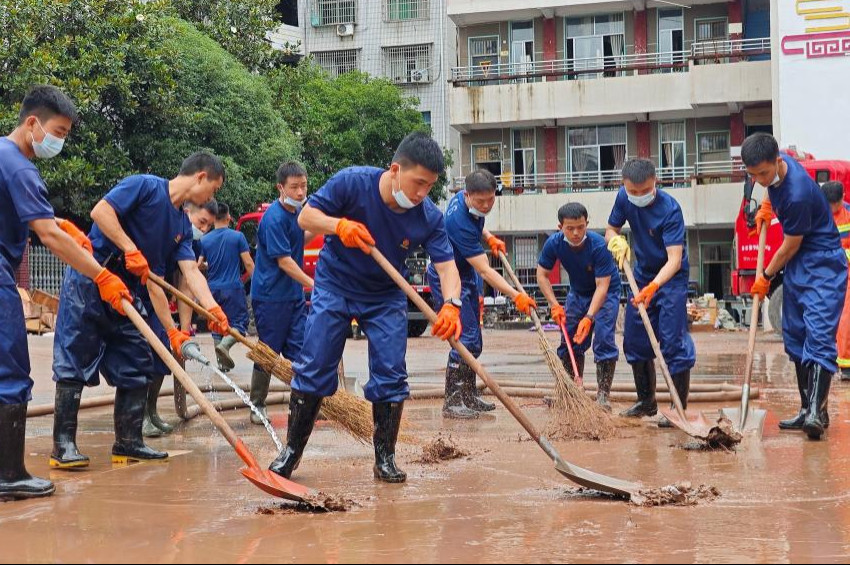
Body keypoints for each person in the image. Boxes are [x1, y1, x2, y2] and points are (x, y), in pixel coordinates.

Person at [268, 132, 462, 483]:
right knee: (314, 364)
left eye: (429, 186)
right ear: (395, 170)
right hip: (335, 284)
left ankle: (384, 458)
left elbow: (447, 266)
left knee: (391, 372)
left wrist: (451, 304)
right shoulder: (352, 183)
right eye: (417, 182)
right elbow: (306, 219)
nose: (421, 193)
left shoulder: (428, 216)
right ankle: (291, 453)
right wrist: (339, 225)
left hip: (386, 295)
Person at [50, 151, 231, 468]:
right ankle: (63, 446)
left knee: (136, 361)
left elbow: (182, 275)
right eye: (214, 189)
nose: (212, 196)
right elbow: (101, 211)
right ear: (201, 176)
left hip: (130, 296)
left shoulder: (180, 226)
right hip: (93, 280)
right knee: (74, 358)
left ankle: (128, 443)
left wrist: (207, 310)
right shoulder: (145, 186)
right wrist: (130, 247)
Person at [0, 85, 130, 500]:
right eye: (58, 131)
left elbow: (38, 219)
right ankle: (9, 475)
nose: (59, 142)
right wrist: (102, 276)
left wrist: (58, 223)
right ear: (32, 122)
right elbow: (49, 237)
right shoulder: (20, 166)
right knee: (11, 371)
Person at [745, 133, 846, 439]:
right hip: (800, 265)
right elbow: (770, 186)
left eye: (763, 173)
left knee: (817, 335)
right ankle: (808, 409)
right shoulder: (779, 167)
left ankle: (816, 413)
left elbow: (790, 245)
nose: (760, 180)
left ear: (777, 162)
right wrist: (765, 206)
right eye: (753, 176)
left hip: (823, 263)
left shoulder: (799, 193)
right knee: (795, 335)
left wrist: (765, 275)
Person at [428, 169, 536, 419]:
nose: (486, 206)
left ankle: (468, 395)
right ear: (467, 195)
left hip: (465, 272)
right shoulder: (459, 223)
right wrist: (515, 295)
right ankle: (453, 401)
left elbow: (478, 225)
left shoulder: (468, 205)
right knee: (463, 338)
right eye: (481, 201)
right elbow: (486, 271)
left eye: (491, 199)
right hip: (448, 275)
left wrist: (489, 237)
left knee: (475, 341)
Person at [606, 158, 695, 427]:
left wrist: (654, 287)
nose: (638, 196)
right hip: (641, 274)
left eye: (645, 191)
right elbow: (611, 228)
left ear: (655, 181)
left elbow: (674, 259)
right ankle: (647, 401)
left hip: (670, 279)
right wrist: (616, 242)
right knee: (635, 338)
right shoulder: (624, 197)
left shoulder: (670, 209)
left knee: (672, 341)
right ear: (624, 186)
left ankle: (677, 407)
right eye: (633, 192)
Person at [537, 202, 621, 411]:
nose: (576, 233)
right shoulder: (554, 244)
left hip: (606, 292)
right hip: (578, 292)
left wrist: (589, 317)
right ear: (560, 227)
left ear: (587, 224)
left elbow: (602, 286)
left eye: (581, 227)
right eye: (570, 228)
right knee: (569, 339)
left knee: (603, 339)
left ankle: (602, 396)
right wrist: (554, 305)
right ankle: (571, 391)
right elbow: (542, 275)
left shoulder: (599, 245)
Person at [249, 162, 314, 425]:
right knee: (268, 353)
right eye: (294, 187)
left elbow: (299, 240)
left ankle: (304, 402)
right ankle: (256, 404)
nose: (300, 192)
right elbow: (285, 261)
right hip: (270, 297)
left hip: (293, 297)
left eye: (304, 186)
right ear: (281, 187)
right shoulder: (273, 218)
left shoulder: (297, 215)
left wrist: (327, 227)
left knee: (302, 351)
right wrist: (313, 283)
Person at [198, 203, 254, 372]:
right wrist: (259, 283)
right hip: (233, 288)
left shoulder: (204, 240)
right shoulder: (237, 237)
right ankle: (224, 346)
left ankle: (222, 366)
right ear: (229, 217)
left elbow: (198, 265)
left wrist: (210, 265)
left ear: (213, 218)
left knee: (216, 324)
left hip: (212, 290)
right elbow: (248, 263)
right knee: (240, 323)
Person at [820, 181, 850, 381]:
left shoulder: (848, 214)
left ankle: (846, 365)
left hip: (846, 272)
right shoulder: (817, 214)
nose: (832, 209)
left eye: (835, 205)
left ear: (842, 198)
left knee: (845, 318)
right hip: (825, 273)